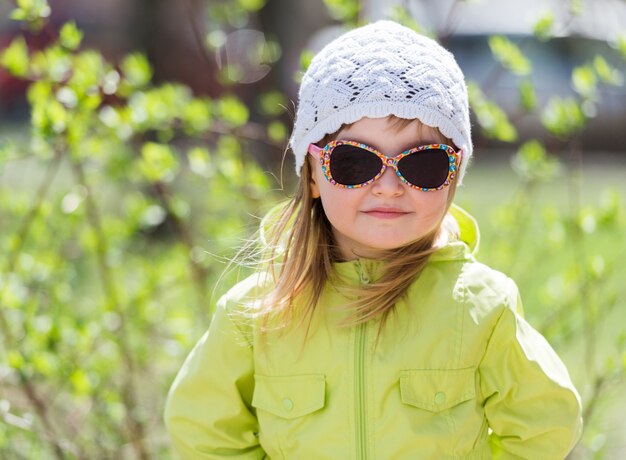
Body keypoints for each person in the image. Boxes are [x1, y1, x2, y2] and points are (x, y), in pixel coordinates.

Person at [164, 20, 582, 459]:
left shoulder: (481, 307)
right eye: (354, 162)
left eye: (422, 164)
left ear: (453, 176)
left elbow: (546, 425)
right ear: (312, 177)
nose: (388, 186)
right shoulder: (256, 314)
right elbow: (203, 430)